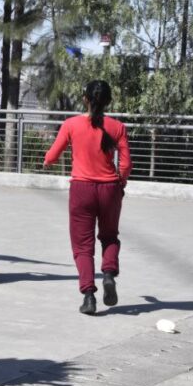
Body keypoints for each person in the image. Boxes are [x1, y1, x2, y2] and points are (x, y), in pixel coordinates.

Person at [43, 80, 131, 316]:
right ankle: (109, 274)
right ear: (109, 101)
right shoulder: (117, 127)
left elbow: (52, 155)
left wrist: (46, 159)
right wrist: (120, 183)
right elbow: (126, 164)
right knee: (110, 236)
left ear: (85, 99)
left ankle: (89, 296)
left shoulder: (72, 124)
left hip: (81, 189)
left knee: (83, 246)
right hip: (109, 189)